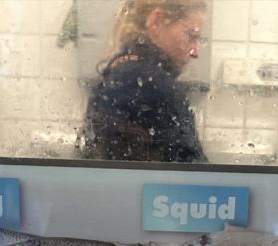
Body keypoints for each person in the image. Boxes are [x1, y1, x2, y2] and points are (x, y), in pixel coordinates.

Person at [81, 0, 207, 163]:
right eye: (191, 35)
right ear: (156, 21)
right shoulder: (157, 87)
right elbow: (194, 170)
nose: (195, 52)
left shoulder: (114, 73)